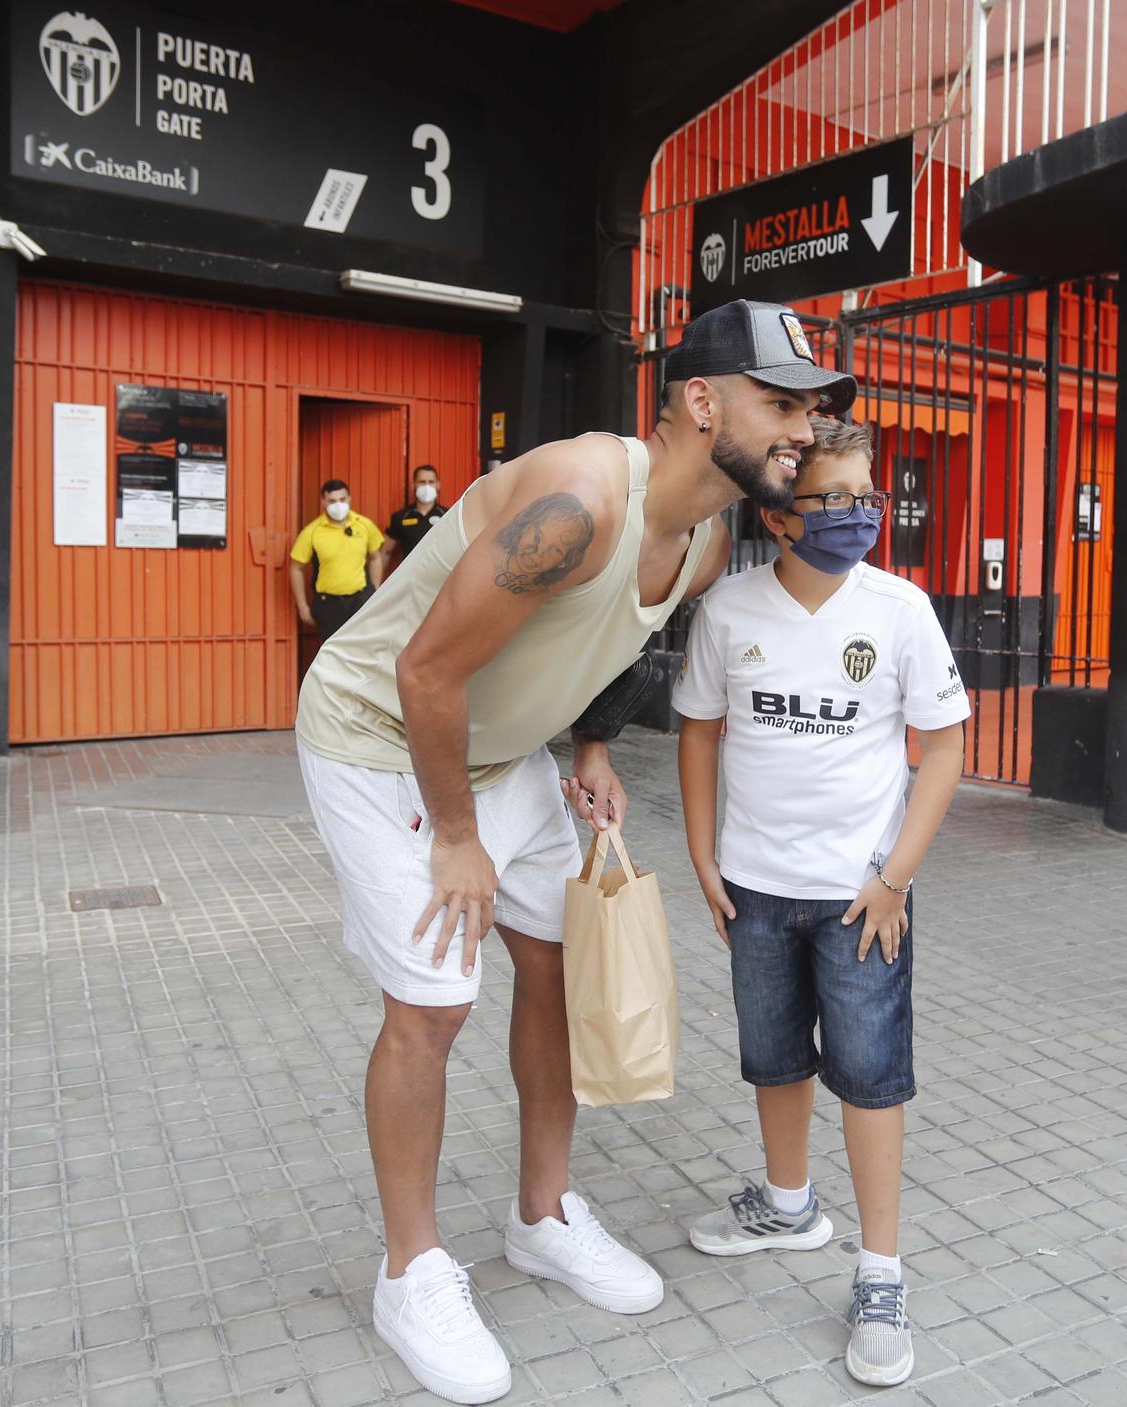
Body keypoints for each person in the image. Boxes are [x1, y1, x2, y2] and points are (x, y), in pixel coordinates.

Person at [294, 300, 854, 1404]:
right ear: (702, 402)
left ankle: (540, 1218)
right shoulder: (581, 497)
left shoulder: (700, 541)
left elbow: (612, 644)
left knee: (554, 957)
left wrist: (591, 744)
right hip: (377, 742)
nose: (803, 426)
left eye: (810, 407)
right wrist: (456, 840)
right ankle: (410, 1272)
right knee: (434, 1004)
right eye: (780, 402)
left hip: (495, 754)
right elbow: (421, 676)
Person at [673, 416, 968, 1390]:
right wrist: (703, 855)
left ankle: (878, 1274)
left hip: (860, 901)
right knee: (772, 1056)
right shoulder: (728, 612)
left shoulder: (899, 611)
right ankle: (788, 1204)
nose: (854, 517)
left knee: (871, 1076)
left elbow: (945, 749)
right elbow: (701, 732)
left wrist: (894, 877)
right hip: (755, 887)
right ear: (778, 517)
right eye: (829, 500)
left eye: (864, 498)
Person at [291, 479, 388, 640]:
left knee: (363, 648)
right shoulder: (312, 531)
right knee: (334, 653)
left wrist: (374, 591)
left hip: (360, 599)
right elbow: (296, 568)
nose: (338, 505)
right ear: (323, 502)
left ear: (349, 498)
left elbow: (375, 557)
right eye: (332, 501)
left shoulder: (364, 525)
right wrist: (302, 606)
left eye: (342, 500)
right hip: (329, 604)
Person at [386, 464, 448, 570]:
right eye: (422, 482)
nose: (427, 486)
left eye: (431, 482)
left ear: (438, 485)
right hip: (410, 579)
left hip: (440, 578)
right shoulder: (400, 517)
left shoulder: (447, 515)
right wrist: (377, 584)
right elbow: (385, 553)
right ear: (413, 485)